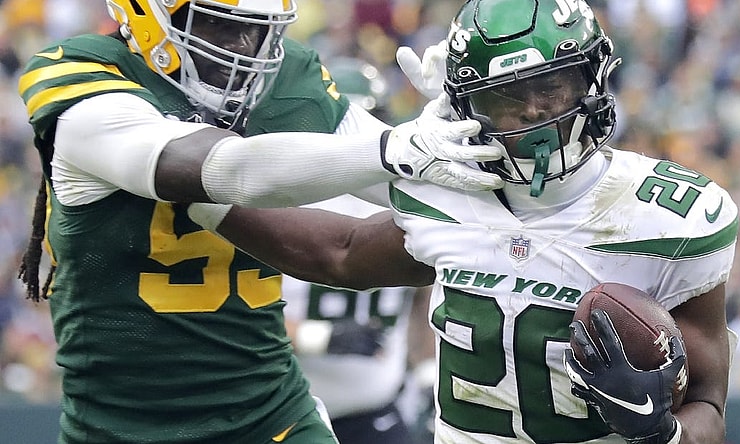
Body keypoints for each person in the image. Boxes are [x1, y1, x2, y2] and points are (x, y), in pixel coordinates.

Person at [187, 0, 739, 443]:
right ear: (465, 107)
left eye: (549, 88)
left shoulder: (674, 219)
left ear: (591, 78)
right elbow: (342, 251)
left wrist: (664, 433)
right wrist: (202, 198)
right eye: (505, 98)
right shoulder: (449, 189)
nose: (531, 113)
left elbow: (709, 406)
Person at [14, 1, 505, 443]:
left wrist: (486, 126)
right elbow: (224, 169)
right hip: (122, 423)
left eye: (256, 29)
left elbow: (421, 193)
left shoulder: (287, 79)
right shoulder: (86, 77)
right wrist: (397, 149)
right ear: (147, 15)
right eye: (217, 25)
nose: (243, 49)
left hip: (271, 414)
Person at [280, 57, 431, 444]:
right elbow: (243, 315)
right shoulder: (281, 206)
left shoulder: (405, 207)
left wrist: (428, 369)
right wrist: (319, 337)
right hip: (292, 409)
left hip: (377, 412)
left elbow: (424, 302)